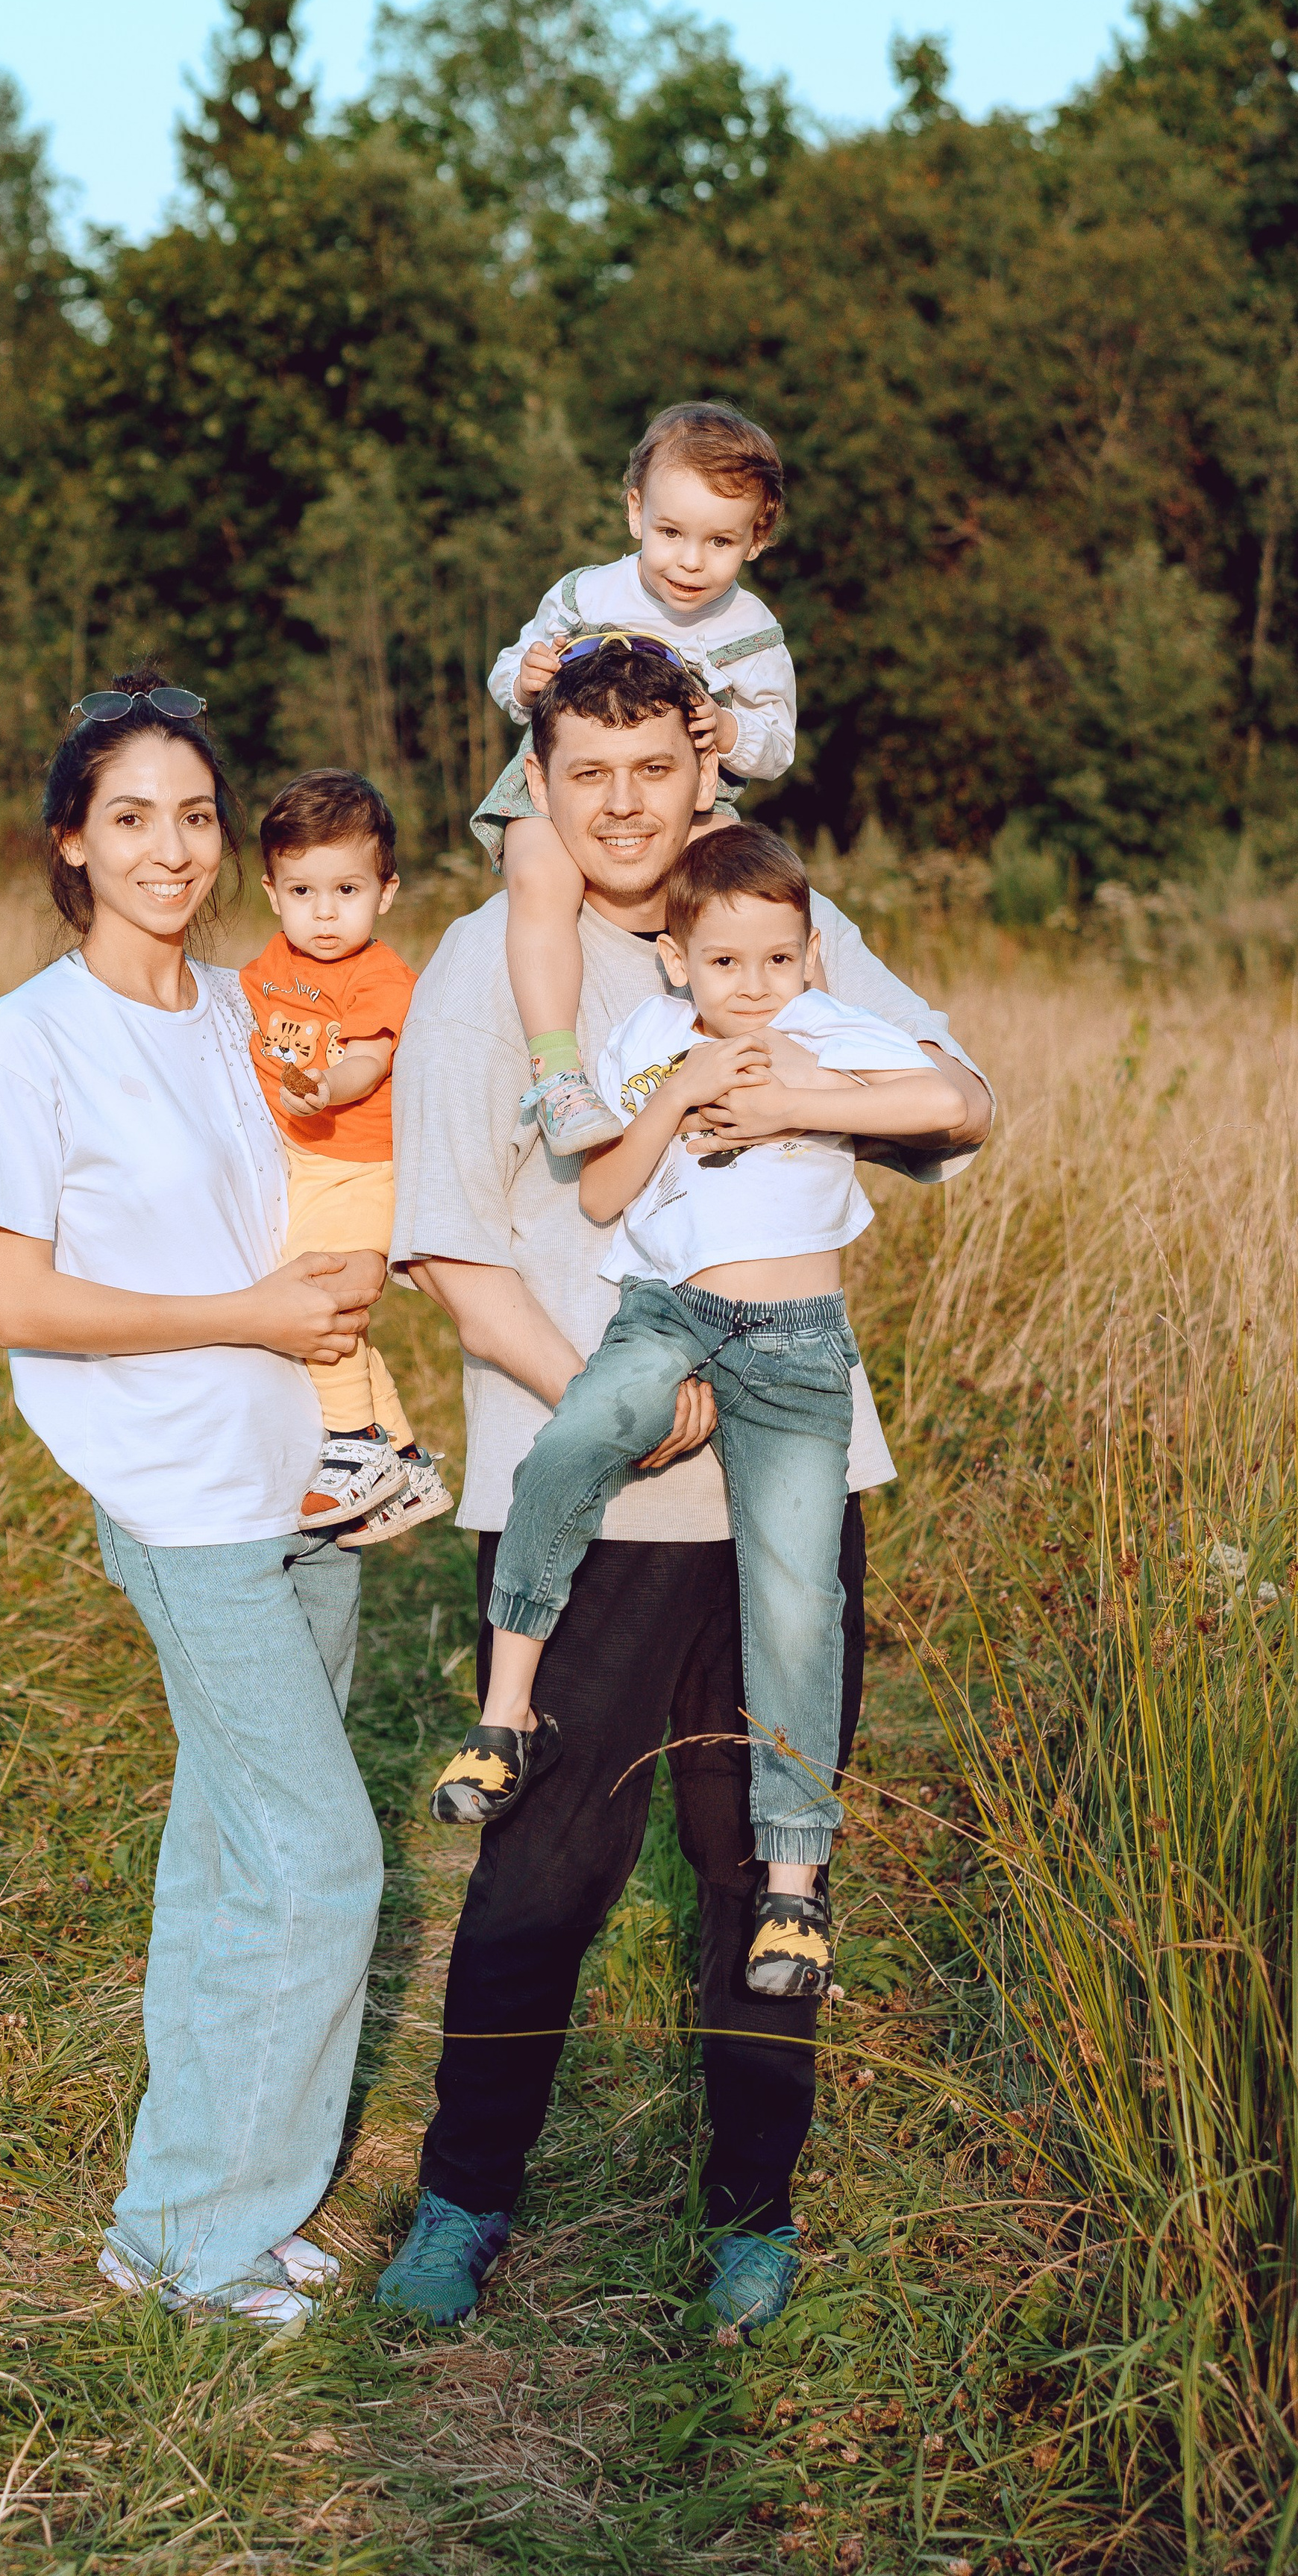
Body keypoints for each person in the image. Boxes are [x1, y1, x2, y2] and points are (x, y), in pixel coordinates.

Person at [375, 636, 993, 2337]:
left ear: (697, 762)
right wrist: (615, 1412)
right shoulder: (480, 962)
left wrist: (785, 1082)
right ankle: (460, 2193)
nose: (623, 805)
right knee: (542, 1864)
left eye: (652, 769)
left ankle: (750, 2212)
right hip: (591, 1481)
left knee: (755, 1856)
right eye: (587, 775)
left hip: (791, 1474)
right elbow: (442, 1241)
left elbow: (954, 1105)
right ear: (540, 779)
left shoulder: (774, 920)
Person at [0, 668, 385, 2330]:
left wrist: (336, 1274)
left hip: (302, 1471)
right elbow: (22, 1303)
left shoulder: (245, 1009)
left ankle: (191, 2209)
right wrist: (247, 1314)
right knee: (317, 1854)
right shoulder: (29, 1039)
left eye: (196, 816)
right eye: (130, 816)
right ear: (71, 841)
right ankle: (203, 2243)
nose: (170, 847)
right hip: (177, 1495)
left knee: (226, 1854)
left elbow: (318, 1183)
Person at [431, 824, 962, 2005]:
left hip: (798, 1347)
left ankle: (792, 1881)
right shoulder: (651, 1039)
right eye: (728, 964)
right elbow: (608, 1188)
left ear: (808, 957)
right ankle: (505, 1714)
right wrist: (680, 1094)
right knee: (567, 1445)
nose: (755, 985)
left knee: (794, 1597)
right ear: (680, 964)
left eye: (778, 961)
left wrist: (799, 1099)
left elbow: (950, 1100)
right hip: (667, 1316)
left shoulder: (822, 1028)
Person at [475, 401, 795, 1156]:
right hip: (563, 788)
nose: (689, 561)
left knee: (740, 891)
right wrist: (524, 683)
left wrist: (729, 731)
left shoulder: (750, 632)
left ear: (757, 537)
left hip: (695, 794)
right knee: (539, 880)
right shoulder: (586, 595)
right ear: (633, 513)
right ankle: (558, 1075)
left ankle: (748, 1063)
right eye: (669, 533)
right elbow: (503, 676)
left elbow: (777, 747)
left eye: (718, 541)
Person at [239, 769, 454, 1546]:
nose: (324, 914)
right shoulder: (271, 965)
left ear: (385, 892)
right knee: (330, 1309)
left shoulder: (380, 976)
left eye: (346, 891)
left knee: (317, 1301)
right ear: (272, 892)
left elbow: (367, 1062)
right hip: (305, 1164)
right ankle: (403, 1461)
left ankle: (353, 1439)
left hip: (360, 1165)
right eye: (303, 892)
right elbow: (242, 1020)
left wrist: (325, 1088)